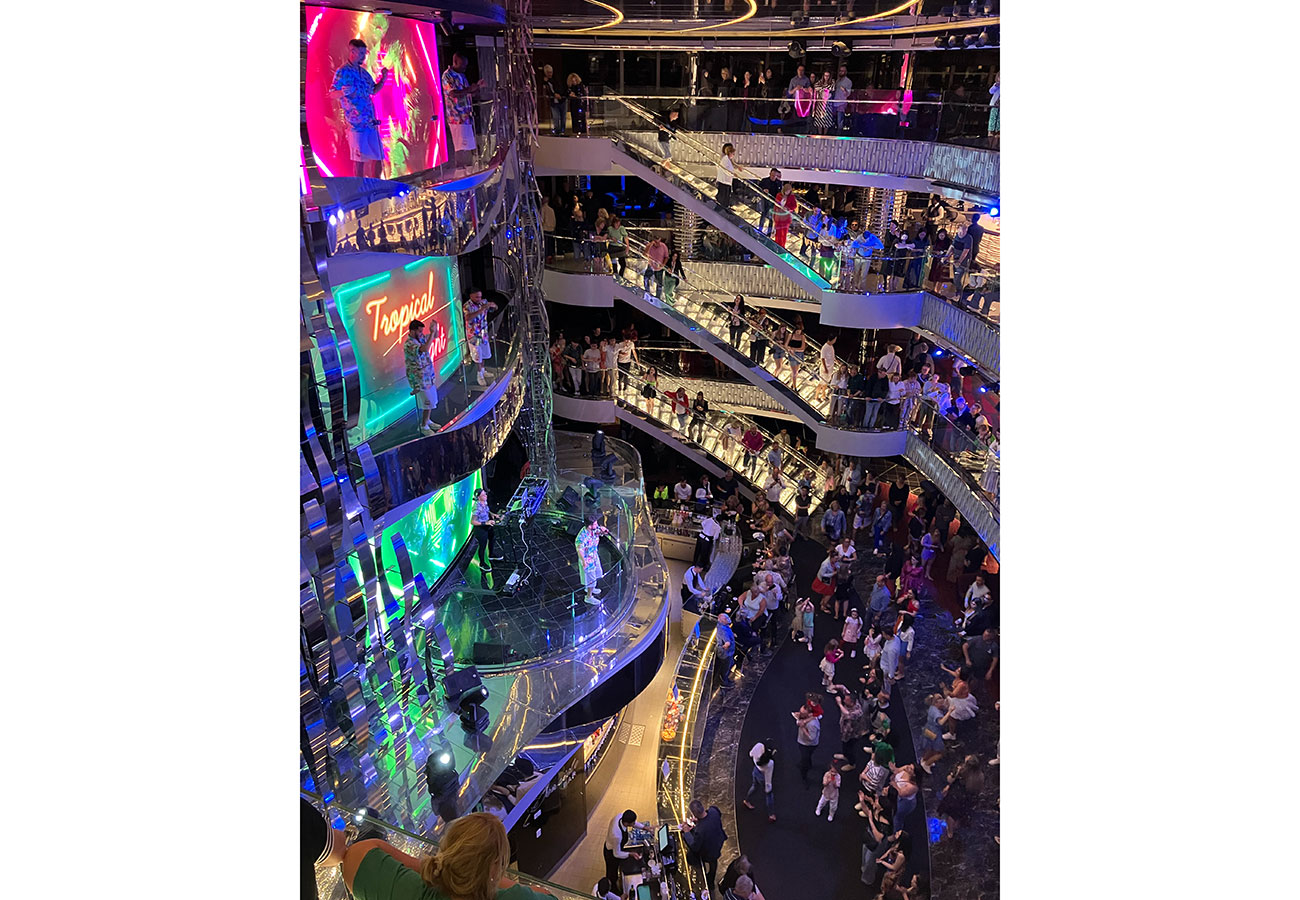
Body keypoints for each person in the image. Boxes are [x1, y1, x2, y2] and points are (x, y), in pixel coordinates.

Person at [342, 812, 555, 900]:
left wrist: (437, 869)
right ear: (495, 867)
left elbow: (356, 854)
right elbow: (547, 895)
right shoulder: (514, 897)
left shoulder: (409, 891)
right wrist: (486, 878)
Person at [329, 40, 389, 178]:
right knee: (359, 160)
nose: (363, 56)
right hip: (356, 124)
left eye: (364, 53)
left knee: (379, 156)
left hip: (370, 122)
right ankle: (360, 187)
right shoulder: (343, 71)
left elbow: (373, 90)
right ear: (352, 52)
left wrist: (383, 78)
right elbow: (331, 94)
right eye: (361, 53)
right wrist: (342, 92)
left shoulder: (363, 72)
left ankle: (376, 184)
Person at [442, 53, 484, 169]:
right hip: (456, 117)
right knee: (461, 146)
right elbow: (453, 93)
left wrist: (477, 87)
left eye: (466, 66)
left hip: (466, 116)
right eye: (462, 65)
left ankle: (469, 169)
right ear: (455, 62)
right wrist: (470, 89)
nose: (464, 68)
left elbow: (467, 93)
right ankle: (460, 170)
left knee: (468, 146)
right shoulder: (447, 76)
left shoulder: (461, 75)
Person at [681, 799, 727, 896]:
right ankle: (711, 880)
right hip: (718, 842)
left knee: (693, 855)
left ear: (694, 814)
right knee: (713, 862)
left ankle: (703, 876)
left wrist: (687, 832)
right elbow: (717, 814)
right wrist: (699, 821)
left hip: (708, 850)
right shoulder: (713, 811)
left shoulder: (700, 830)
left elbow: (695, 847)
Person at [404, 318, 440, 434]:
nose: (421, 333)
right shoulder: (409, 344)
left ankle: (427, 421)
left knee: (432, 400)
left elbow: (435, 337)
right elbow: (424, 349)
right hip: (419, 378)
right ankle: (424, 426)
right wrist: (432, 333)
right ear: (412, 331)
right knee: (427, 401)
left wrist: (435, 328)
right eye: (419, 331)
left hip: (428, 376)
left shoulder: (421, 338)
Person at [603, 810, 648, 887]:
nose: (634, 824)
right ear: (627, 823)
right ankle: (612, 888)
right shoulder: (616, 835)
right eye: (632, 823)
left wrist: (645, 828)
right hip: (611, 853)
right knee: (612, 874)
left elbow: (634, 824)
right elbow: (616, 854)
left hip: (617, 847)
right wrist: (631, 854)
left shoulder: (620, 816)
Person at [575, 512, 610, 605]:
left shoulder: (594, 529)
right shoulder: (582, 537)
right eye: (595, 523)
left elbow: (599, 531)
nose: (597, 525)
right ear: (590, 526)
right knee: (591, 579)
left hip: (594, 556)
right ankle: (589, 597)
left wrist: (603, 530)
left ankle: (591, 588)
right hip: (588, 560)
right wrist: (584, 561)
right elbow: (580, 549)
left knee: (597, 573)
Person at [742, 741, 777, 821]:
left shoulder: (759, 746)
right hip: (763, 777)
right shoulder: (770, 763)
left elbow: (750, 754)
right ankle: (771, 815)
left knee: (754, 786)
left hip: (756, 771)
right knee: (769, 795)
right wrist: (768, 787)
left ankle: (747, 800)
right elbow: (768, 776)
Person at [470, 488, 503, 572]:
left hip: (487, 524)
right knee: (483, 546)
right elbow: (473, 521)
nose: (486, 496)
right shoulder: (476, 508)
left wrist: (493, 514)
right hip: (480, 528)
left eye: (485, 494)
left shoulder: (484, 502)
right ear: (479, 497)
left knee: (492, 538)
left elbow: (486, 510)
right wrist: (485, 523)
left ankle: (491, 555)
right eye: (483, 495)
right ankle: (482, 563)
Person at [962, 627, 1000, 698]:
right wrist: (967, 659)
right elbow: (965, 646)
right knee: (964, 675)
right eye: (984, 634)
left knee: (976, 680)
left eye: (987, 636)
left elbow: (995, 659)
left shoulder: (994, 646)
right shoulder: (977, 639)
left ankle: (970, 692)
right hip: (971, 663)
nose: (984, 637)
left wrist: (990, 671)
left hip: (982, 667)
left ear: (991, 636)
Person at [794, 701, 822, 785]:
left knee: (805, 760)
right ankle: (808, 763)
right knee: (807, 757)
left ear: (809, 714)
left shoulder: (812, 724)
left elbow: (811, 738)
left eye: (802, 713)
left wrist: (802, 728)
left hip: (807, 745)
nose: (800, 714)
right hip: (802, 741)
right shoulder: (805, 718)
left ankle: (804, 775)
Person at [755, 168, 782, 235]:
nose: (773, 177)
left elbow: (780, 193)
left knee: (771, 217)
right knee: (763, 215)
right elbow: (758, 188)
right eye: (772, 175)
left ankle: (769, 233)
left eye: (775, 175)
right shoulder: (764, 180)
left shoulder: (778, 183)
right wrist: (763, 190)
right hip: (765, 200)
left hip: (773, 202)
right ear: (770, 174)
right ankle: (760, 230)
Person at [771, 182, 798, 248]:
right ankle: (777, 246)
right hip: (778, 217)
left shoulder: (791, 197)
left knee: (784, 233)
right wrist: (774, 215)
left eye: (789, 191)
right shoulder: (779, 195)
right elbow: (776, 205)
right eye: (786, 191)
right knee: (778, 233)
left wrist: (788, 208)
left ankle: (782, 246)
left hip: (786, 218)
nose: (787, 192)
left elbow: (794, 206)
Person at [542, 64, 565, 135]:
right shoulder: (545, 82)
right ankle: (557, 131)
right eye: (548, 72)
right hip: (553, 102)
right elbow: (547, 91)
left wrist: (559, 95)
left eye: (550, 72)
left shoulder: (556, 79)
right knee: (555, 117)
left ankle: (562, 131)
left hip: (562, 100)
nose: (550, 74)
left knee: (563, 117)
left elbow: (560, 87)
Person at [715, 142, 738, 210]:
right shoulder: (725, 159)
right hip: (723, 181)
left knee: (726, 196)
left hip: (726, 181)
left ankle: (725, 207)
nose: (733, 155)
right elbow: (726, 170)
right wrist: (732, 174)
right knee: (723, 196)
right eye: (733, 154)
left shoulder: (727, 160)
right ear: (730, 153)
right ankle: (721, 208)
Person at [715, 613, 737, 684]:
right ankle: (724, 682)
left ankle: (725, 678)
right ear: (721, 620)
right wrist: (725, 646)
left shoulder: (725, 626)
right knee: (726, 668)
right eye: (725, 619)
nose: (728, 619)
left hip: (728, 652)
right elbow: (727, 643)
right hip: (726, 653)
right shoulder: (722, 630)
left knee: (730, 664)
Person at [831, 64, 853, 132]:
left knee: (840, 121)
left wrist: (844, 90)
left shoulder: (848, 81)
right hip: (835, 103)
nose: (841, 72)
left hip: (841, 103)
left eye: (843, 71)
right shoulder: (838, 80)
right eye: (840, 71)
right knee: (833, 121)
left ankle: (839, 134)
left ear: (846, 72)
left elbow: (848, 94)